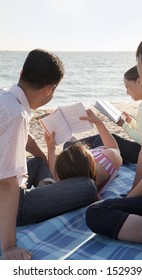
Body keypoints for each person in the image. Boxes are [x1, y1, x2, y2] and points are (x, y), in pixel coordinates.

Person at [0, 49, 97, 260]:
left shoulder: (6, 98)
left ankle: (48, 185)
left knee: (38, 161)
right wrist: (8, 247)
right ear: (49, 90)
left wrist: (44, 156)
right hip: (5, 202)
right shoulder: (16, 116)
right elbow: (7, 184)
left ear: (21, 71)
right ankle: (50, 187)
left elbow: (21, 137)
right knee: (87, 187)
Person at [86, 31, 142, 254]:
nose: (137, 65)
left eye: (137, 60)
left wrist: (133, 198)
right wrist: (133, 194)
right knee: (96, 213)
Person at [75, 66, 142, 164]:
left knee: (106, 139)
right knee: (110, 139)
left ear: (139, 81)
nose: (127, 92)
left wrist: (124, 125)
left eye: (127, 87)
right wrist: (131, 122)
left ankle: (72, 147)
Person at [45, 109, 122, 195]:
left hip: (78, 160)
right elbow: (113, 147)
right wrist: (98, 122)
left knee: (69, 143)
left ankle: (71, 141)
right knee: (70, 143)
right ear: (91, 163)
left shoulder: (62, 179)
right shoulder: (107, 161)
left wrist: (50, 148)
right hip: (100, 149)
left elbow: (53, 171)